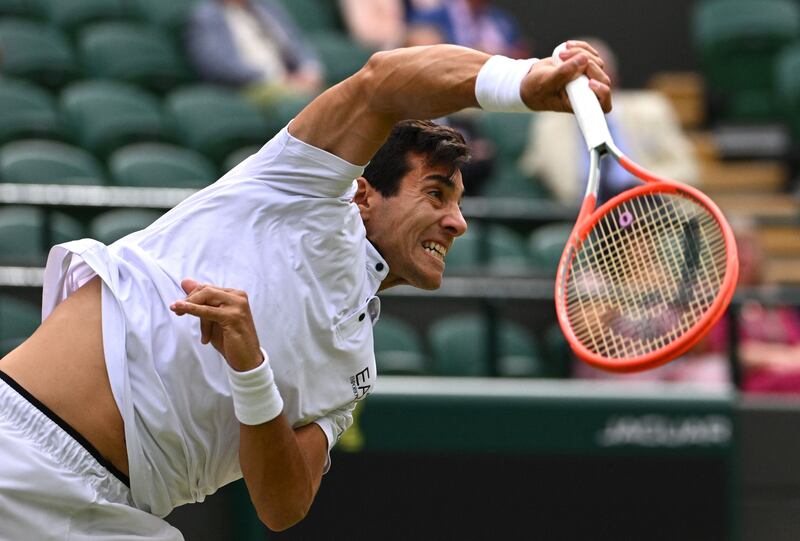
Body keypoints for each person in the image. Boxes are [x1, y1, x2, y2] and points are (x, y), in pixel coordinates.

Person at [0, 41, 611, 538]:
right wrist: (523, 81)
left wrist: (251, 370)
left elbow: (282, 504)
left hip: (118, 518)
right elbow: (381, 80)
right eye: (435, 194)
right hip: (20, 451)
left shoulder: (356, 363)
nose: (458, 222)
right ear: (364, 194)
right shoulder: (298, 191)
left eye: (458, 202)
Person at [520, 38, 698, 204]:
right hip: (578, 220)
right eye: (576, 79)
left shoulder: (651, 111)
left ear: (612, 79)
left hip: (648, 213)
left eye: (593, 75)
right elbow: (532, 174)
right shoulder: (547, 125)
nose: (586, 86)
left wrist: (642, 189)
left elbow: (688, 169)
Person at [186, 0, 324, 105]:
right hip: (250, 86)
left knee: (335, 99)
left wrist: (309, 69)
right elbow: (217, 66)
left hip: (292, 79)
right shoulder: (206, 16)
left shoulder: (266, 5)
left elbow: (295, 40)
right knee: (306, 105)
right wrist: (279, 79)